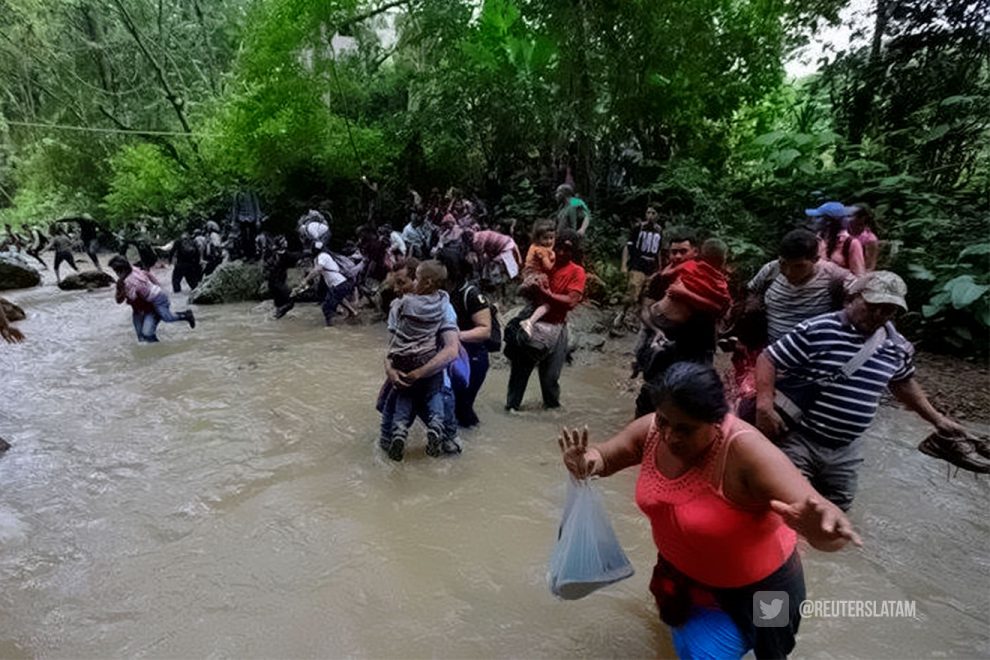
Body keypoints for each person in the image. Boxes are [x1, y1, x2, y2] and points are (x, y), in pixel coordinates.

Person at [559, 362, 861, 659]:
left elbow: (827, 527)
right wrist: (587, 462)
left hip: (767, 590)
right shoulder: (651, 431)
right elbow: (607, 457)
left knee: (772, 652)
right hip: (684, 578)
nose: (669, 436)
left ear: (717, 420)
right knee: (693, 651)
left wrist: (816, 529)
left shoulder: (749, 453)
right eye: (664, 421)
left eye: (685, 430)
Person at [754, 271, 967, 511]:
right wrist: (764, 405)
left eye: (887, 310)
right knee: (791, 502)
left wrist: (937, 420)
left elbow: (902, 383)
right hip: (799, 436)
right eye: (872, 305)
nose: (878, 315)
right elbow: (769, 358)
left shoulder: (897, 347)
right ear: (851, 299)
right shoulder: (817, 329)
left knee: (838, 510)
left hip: (846, 447)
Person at [632, 238, 731, 418]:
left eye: (683, 251)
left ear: (696, 253)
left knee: (688, 403)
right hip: (663, 346)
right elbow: (645, 311)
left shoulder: (714, 281)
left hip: (696, 351)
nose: (677, 256)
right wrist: (655, 331)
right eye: (673, 252)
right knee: (650, 402)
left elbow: (721, 311)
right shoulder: (661, 279)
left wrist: (687, 295)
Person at [381, 260, 455, 460]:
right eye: (394, 284)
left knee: (449, 445)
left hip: (425, 374)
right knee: (385, 441)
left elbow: (451, 351)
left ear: (418, 281)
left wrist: (417, 373)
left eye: (402, 282)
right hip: (405, 372)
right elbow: (391, 348)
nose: (396, 289)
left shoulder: (402, 305)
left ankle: (403, 431)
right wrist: (390, 370)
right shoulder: (439, 301)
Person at [505, 230, 586, 411]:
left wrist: (548, 295)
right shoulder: (545, 264)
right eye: (559, 248)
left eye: (567, 250)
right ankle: (511, 408)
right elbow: (523, 290)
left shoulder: (577, 271)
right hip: (532, 319)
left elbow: (572, 301)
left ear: (574, 252)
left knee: (550, 379)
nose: (562, 253)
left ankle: (552, 411)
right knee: (519, 372)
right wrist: (528, 286)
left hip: (557, 325)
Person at [438, 248, 492, 428]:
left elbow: (485, 330)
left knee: (463, 406)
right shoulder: (441, 293)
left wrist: (454, 336)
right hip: (451, 356)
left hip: (473, 358)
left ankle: (471, 441)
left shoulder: (471, 294)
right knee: (449, 403)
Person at [109, 255, 196, 343]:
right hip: (143, 305)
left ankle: (186, 316)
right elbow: (147, 274)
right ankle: (153, 351)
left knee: (164, 320)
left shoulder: (131, 282)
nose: (116, 274)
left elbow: (133, 298)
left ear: (122, 270)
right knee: (141, 337)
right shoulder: (132, 272)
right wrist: (157, 284)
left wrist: (122, 290)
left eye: (116, 271)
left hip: (154, 301)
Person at [618, 205, 664, 327]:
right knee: (633, 293)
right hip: (638, 264)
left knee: (645, 296)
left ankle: (636, 319)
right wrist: (624, 265)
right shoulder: (638, 228)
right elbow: (628, 246)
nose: (650, 215)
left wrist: (660, 268)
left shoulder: (659, 230)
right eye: (648, 212)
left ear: (657, 215)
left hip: (651, 268)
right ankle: (623, 313)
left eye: (653, 213)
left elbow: (658, 251)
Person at [296, 245, 357, 327]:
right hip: (342, 283)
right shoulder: (322, 257)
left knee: (326, 308)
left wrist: (305, 280)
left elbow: (318, 269)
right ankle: (353, 313)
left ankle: (332, 328)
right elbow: (317, 273)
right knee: (338, 298)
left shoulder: (322, 256)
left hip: (340, 284)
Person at [519, 223, 556, 337]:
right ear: (538, 238)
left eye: (551, 238)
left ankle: (532, 315)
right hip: (537, 278)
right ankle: (530, 322)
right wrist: (555, 259)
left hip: (528, 276)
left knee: (536, 301)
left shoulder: (533, 246)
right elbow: (548, 267)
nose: (549, 241)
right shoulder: (542, 251)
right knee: (549, 304)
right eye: (545, 238)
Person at [847, 203, 880, 271]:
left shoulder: (870, 239)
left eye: (852, 216)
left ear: (863, 218)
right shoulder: (843, 233)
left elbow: (870, 266)